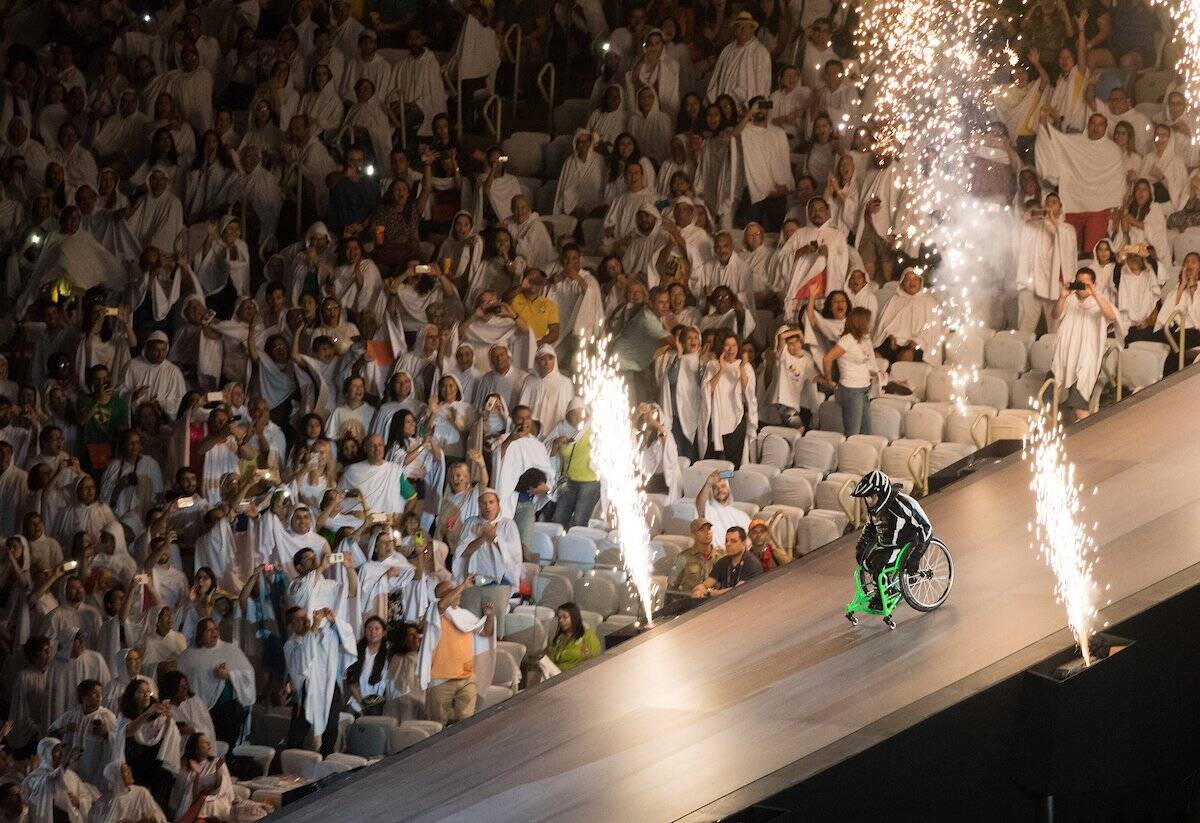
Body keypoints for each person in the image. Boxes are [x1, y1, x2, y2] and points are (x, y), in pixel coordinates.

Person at [849, 470, 933, 610]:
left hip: (905, 542)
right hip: (886, 543)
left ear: (881, 494)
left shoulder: (904, 504)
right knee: (866, 561)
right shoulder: (875, 509)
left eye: (871, 497)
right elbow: (870, 528)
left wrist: (916, 556)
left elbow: (926, 528)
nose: (868, 502)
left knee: (879, 562)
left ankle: (885, 593)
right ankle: (885, 588)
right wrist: (861, 546)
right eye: (866, 498)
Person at [419, 579, 495, 725]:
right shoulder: (434, 611)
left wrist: (489, 616)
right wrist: (463, 585)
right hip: (440, 679)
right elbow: (442, 605)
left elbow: (486, 632)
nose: (459, 592)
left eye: (458, 590)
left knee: (466, 723)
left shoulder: (465, 615)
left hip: (466, 677)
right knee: (437, 723)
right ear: (440, 596)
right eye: (452, 591)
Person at [1052, 267, 1119, 421]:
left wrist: (1094, 293)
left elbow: (1111, 316)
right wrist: (1062, 297)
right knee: (1050, 401)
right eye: (1079, 282)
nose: (1081, 287)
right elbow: (1055, 315)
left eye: (1086, 283)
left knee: (1079, 405)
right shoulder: (1069, 299)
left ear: (1094, 283)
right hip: (1064, 356)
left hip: (1085, 359)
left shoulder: (1099, 301)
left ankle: (1088, 439)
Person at [819, 306, 876, 436]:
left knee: (866, 432)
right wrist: (828, 380)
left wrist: (873, 373)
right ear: (860, 322)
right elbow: (827, 358)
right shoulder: (847, 340)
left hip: (864, 389)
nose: (870, 323)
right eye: (868, 320)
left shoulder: (862, 338)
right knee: (853, 433)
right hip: (851, 390)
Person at [691, 525, 762, 597]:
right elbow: (705, 585)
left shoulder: (752, 563)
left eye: (733, 541)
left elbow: (738, 591)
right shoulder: (723, 562)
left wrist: (712, 592)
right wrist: (698, 591)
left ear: (744, 543)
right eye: (726, 541)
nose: (728, 544)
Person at [695, 472, 751, 548]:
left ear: (728, 489)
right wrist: (708, 484)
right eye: (715, 488)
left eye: (723, 486)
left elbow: (750, 538)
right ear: (712, 492)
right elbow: (700, 503)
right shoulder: (709, 510)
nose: (720, 489)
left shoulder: (742, 515)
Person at [548, 602, 601, 672]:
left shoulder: (588, 637)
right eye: (559, 617)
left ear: (574, 617)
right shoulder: (560, 638)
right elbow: (552, 660)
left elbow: (595, 662)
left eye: (565, 617)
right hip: (557, 674)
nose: (560, 620)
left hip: (577, 675)